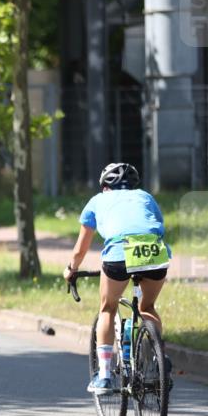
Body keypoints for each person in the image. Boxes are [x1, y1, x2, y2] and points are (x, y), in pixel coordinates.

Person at [63, 162, 171, 395]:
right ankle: (156, 360)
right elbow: (157, 227)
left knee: (107, 308)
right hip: (155, 253)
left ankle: (103, 376)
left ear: (104, 187)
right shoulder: (145, 196)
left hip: (119, 256)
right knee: (148, 306)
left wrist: (71, 269)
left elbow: (80, 249)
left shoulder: (96, 201)